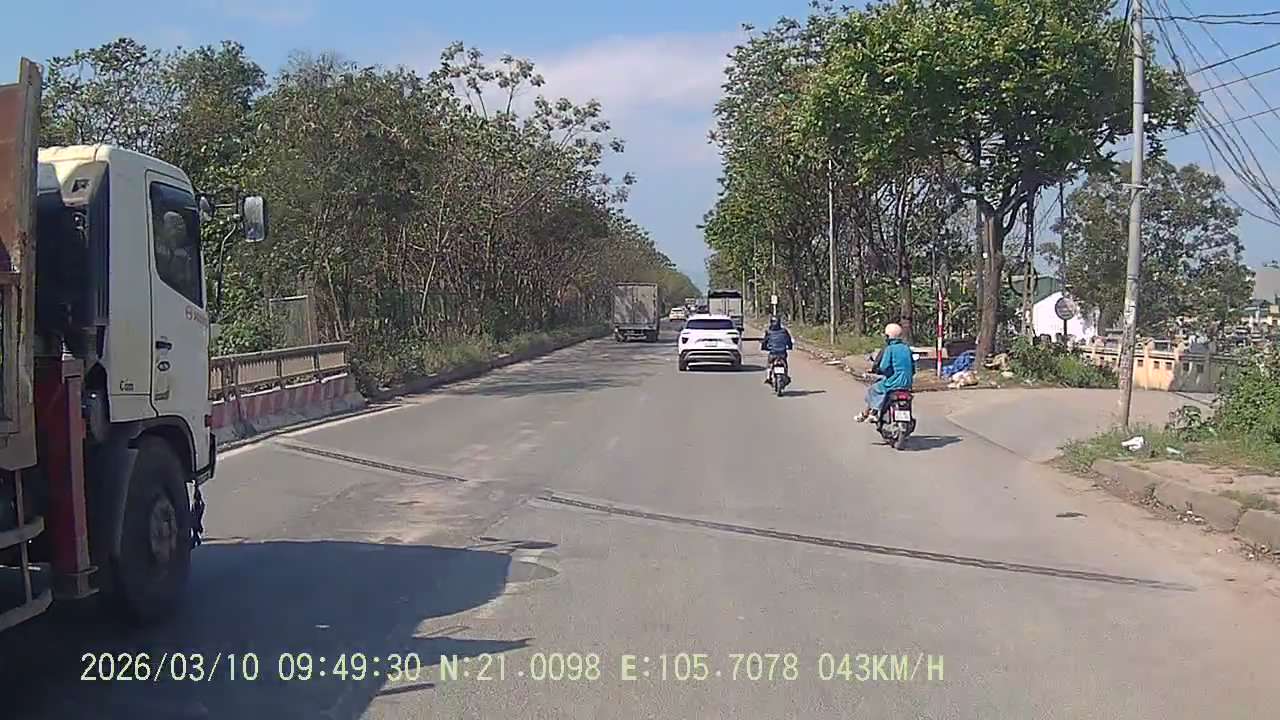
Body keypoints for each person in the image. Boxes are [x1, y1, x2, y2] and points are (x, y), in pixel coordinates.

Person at [856, 323, 914, 422]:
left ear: (888, 336)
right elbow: (913, 368)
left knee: (874, 389)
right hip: (907, 383)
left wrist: (881, 371)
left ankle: (873, 412)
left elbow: (884, 367)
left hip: (894, 382)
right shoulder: (907, 348)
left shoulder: (890, 349)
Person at [759, 315, 794, 383]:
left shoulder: (768, 332)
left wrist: (764, 347)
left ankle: (768, 377)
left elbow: (765, 341)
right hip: (782, 353)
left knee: (769, 364)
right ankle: (785, 375)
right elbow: (789, 340)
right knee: (785, 363)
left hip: (773, 353)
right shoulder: (784, 331)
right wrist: (790, 346)